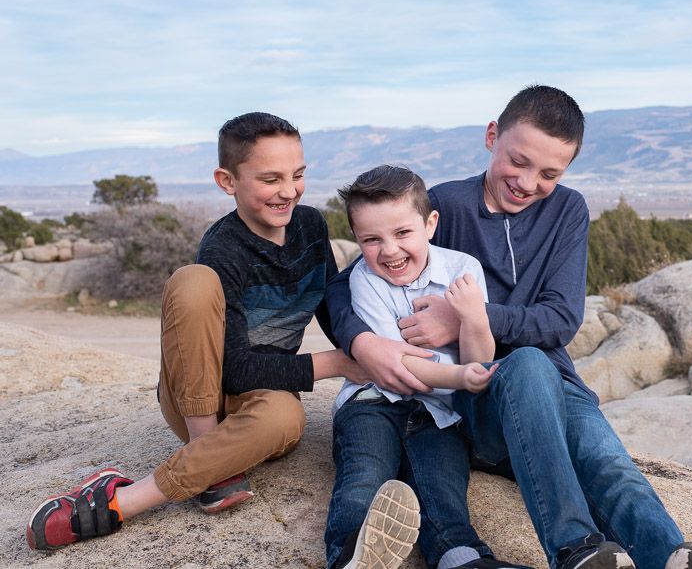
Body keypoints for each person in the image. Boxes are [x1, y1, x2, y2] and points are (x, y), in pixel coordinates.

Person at [328, 86, 692, 569]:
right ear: (492, 136)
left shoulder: (567, 211)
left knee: (606, 462)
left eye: (549, 173)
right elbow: (344, 285)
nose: (527, 181)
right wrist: (365, 344)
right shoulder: (445, 207)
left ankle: (669, 554)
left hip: (550, 384)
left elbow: (561, 318)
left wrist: (470, 316)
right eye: (517, 161)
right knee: (526, 365)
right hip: (475, 403)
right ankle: (575, 549)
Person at [25, 112, 416, 561]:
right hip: (198, 397)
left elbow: (331, 303)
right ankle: (133, 495)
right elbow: (234, 368)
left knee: (287, 420)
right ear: (227, 181)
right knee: (194, 281)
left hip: (263, 399)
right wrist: (339, 364)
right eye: (271, 178)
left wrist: (367, 344)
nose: (288, 190)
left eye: (298, 175)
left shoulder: (311, 227)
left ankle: (209, 464)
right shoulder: (223, 249)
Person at [325, 164, 521, 569]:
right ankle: (350, 557)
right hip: (373, 402)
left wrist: (474, 318)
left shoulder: (463, 269)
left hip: (438, 414)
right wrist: (460, 377)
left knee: (442, 490)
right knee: (365, 475)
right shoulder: (364, 279)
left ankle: (463, 560)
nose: (390, 251)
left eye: (402, 233)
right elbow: (401, 366)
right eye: (371, 240)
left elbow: (477, 358)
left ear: (430, 224)